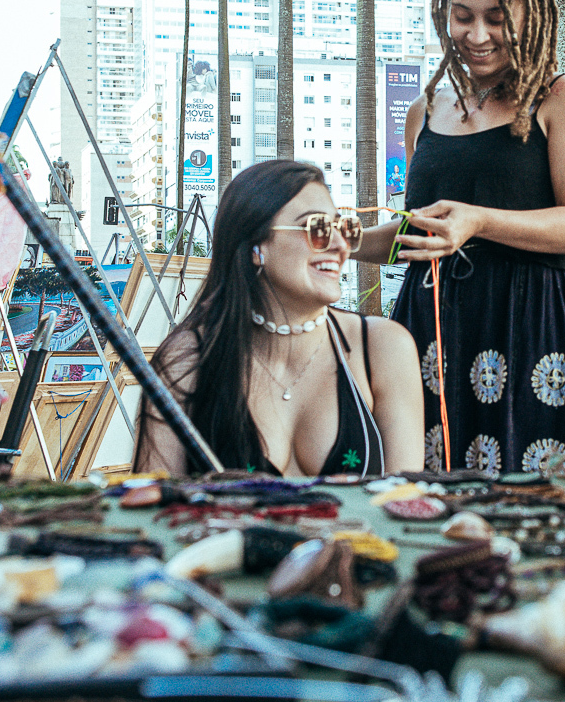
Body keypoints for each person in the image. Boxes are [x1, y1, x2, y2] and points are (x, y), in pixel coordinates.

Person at [354, 0, 565, 475]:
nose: (477, 35)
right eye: (462, 16)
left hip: (529, 328)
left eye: (497, 18)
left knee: (542, 520)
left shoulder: (560, 98)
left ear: (529, 11)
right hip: (430, 336)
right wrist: (348, 242)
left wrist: (479, 221)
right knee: (426, 511)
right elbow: (421, 232)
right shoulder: (423, 112)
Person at [133, 160, 424, 477]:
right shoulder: (187, 359)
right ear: (256, 247)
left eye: (344, 229)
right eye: (317, 228)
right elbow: (151, 505)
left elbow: (405, 504)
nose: (341, 246)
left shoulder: (384, 347)